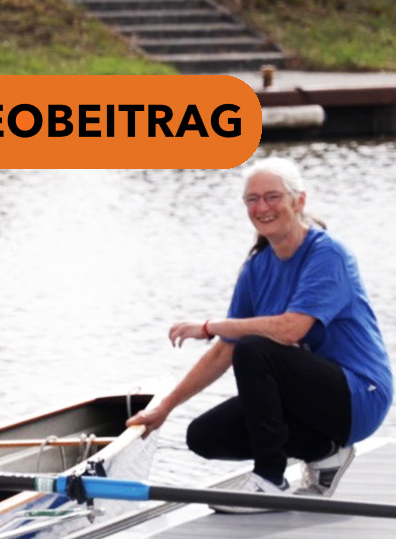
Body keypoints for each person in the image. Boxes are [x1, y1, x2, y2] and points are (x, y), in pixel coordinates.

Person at [127, 156, 390, 510]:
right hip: (308, 400)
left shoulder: (328, 254)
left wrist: (209, 326)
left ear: (299, 201)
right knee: (204, 436)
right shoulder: (257, 266)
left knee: (254, 349)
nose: (261, 207)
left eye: (272, 197)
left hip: (359, 396)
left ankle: (270, 479)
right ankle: (324, 452)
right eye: (252, 199)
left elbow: (291, 328)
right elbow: (224, 351)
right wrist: (165, 409)